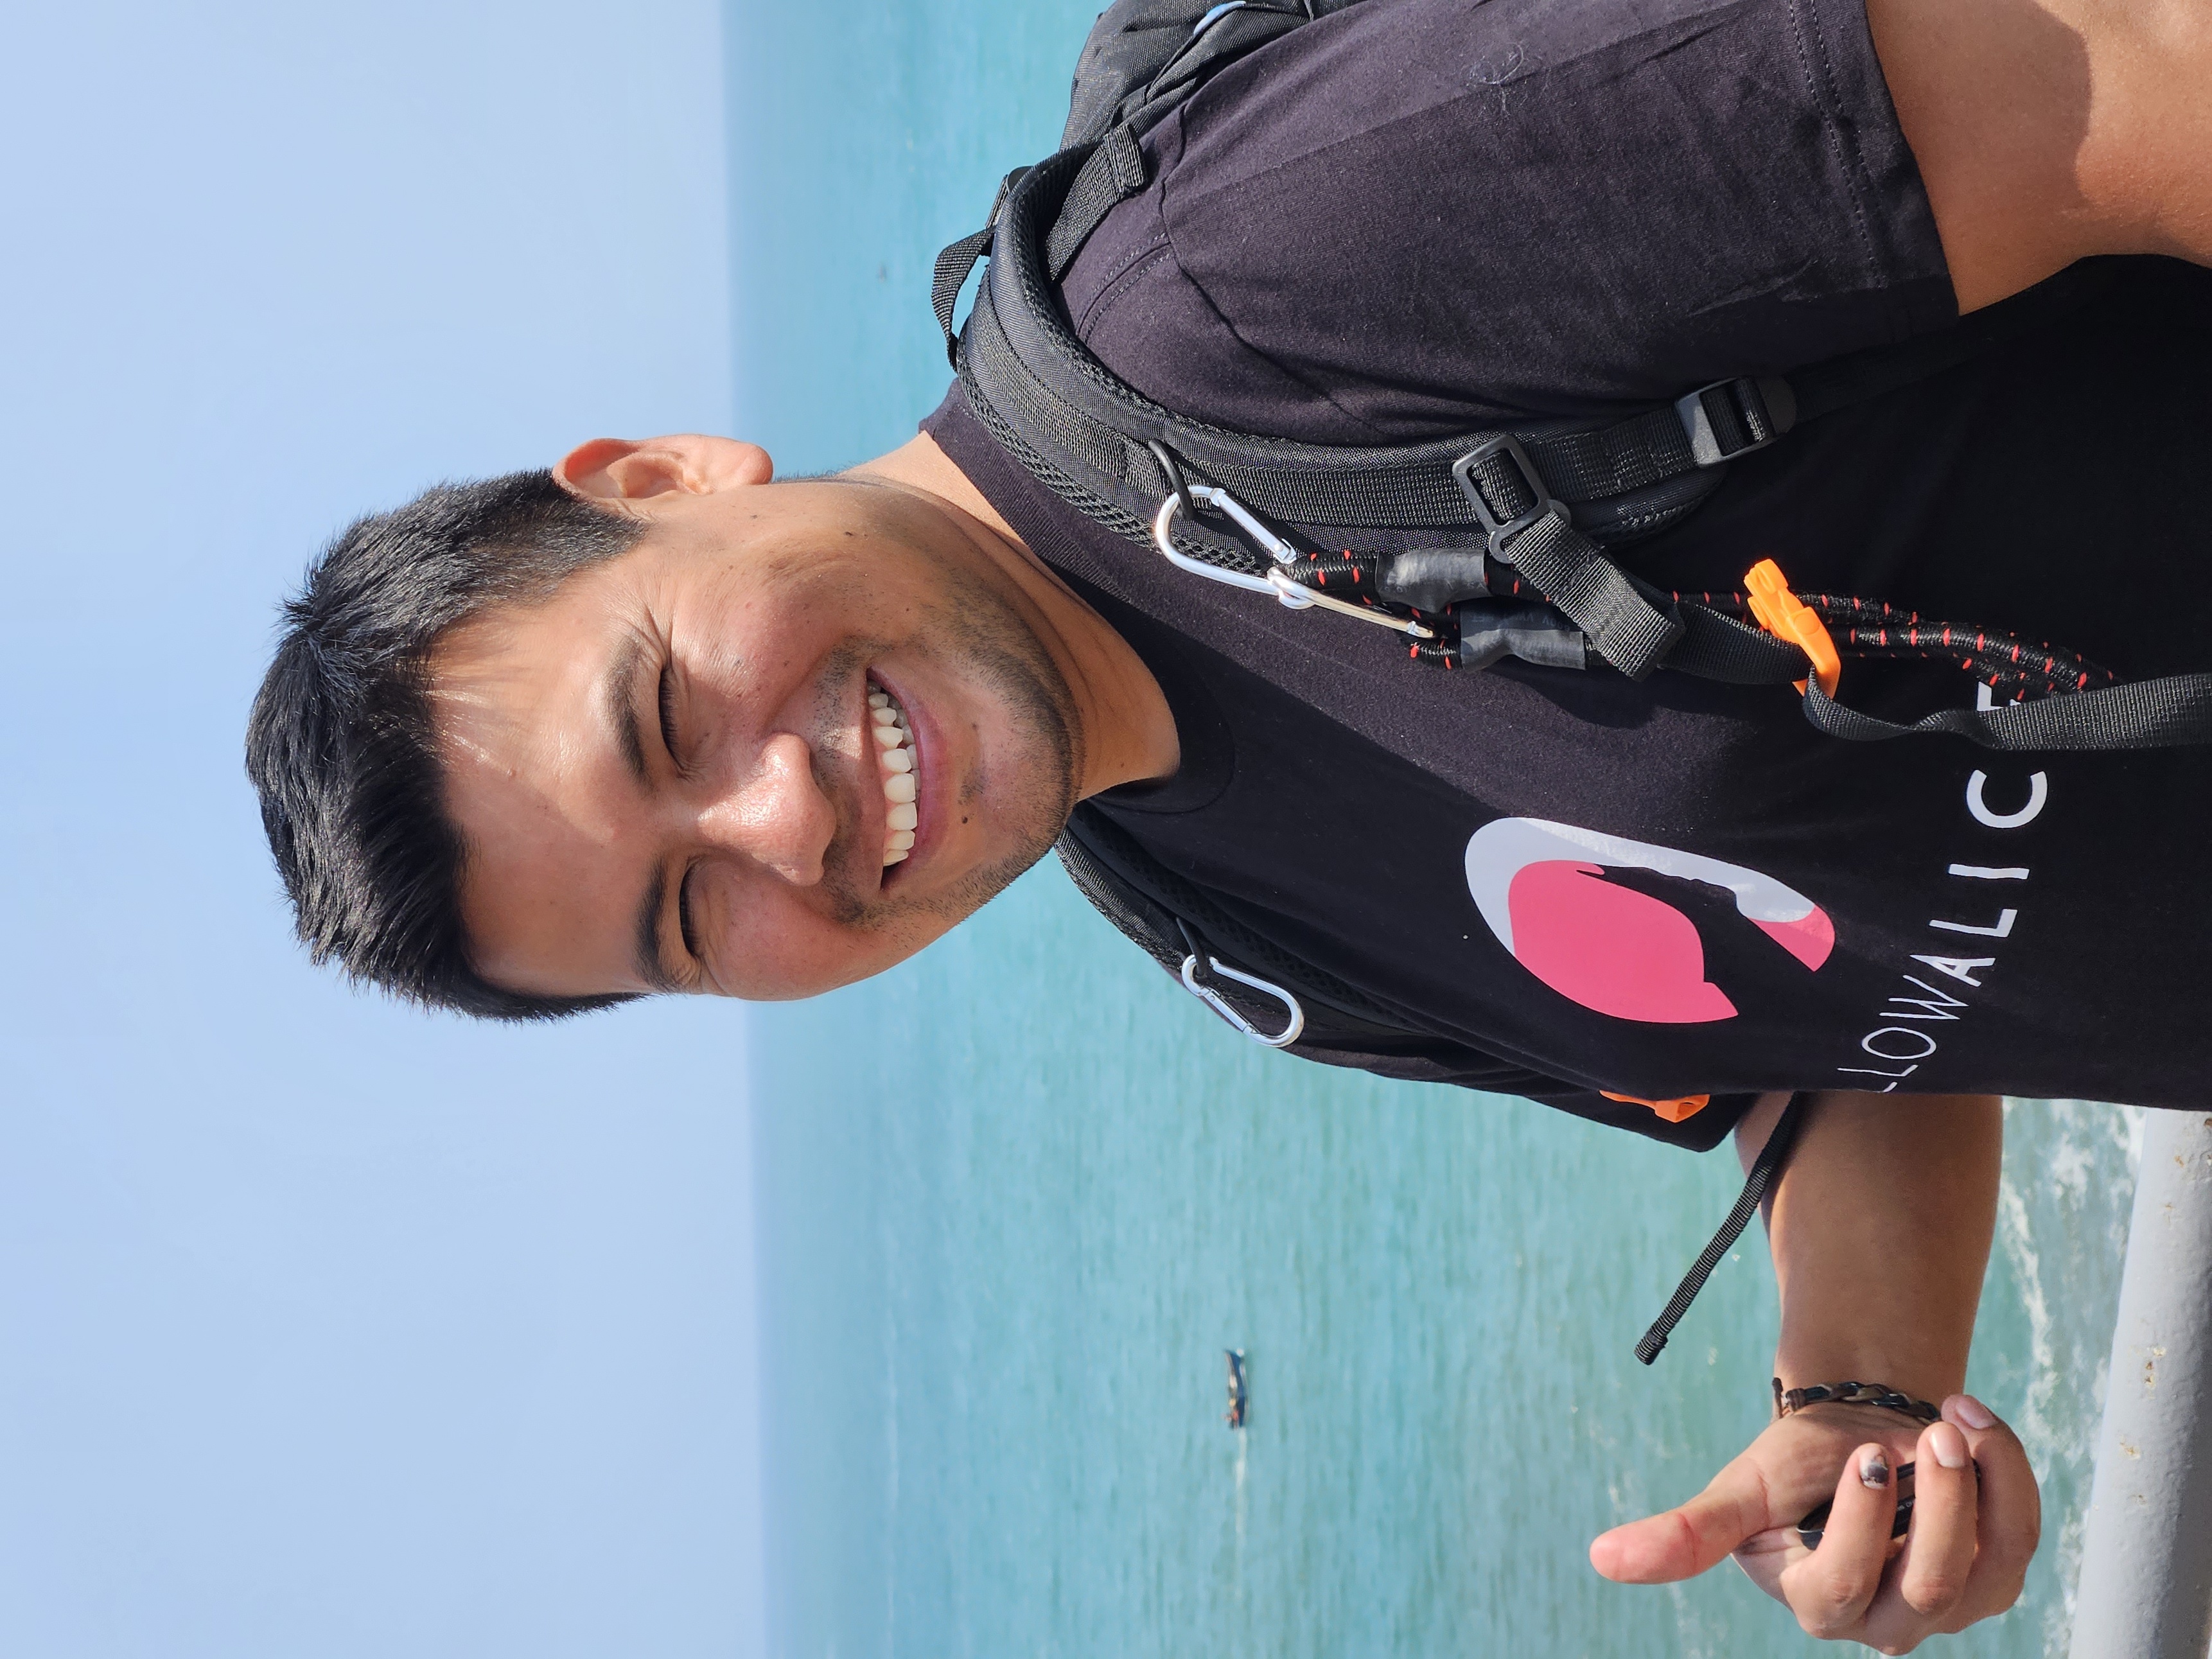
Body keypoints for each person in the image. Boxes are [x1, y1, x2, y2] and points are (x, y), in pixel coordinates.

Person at [246, 0, 2212, 1646]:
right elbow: (1834, 1032)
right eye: (685, 918)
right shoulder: (1216, 917)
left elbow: (2120, 76)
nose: (781, 820)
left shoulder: (1255, 282)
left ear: (666, 475)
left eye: (667, 710)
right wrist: (1855, 1399)